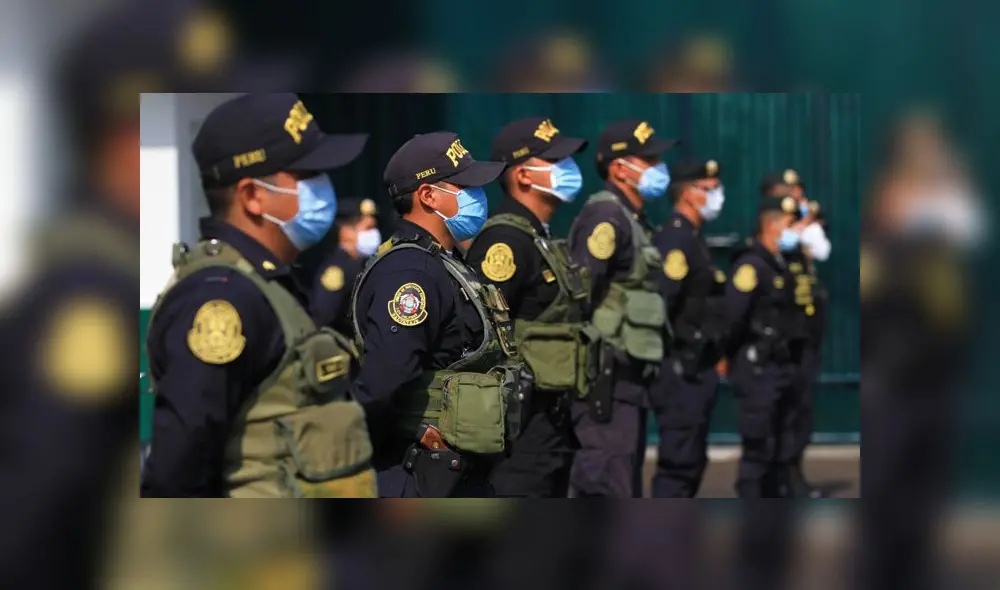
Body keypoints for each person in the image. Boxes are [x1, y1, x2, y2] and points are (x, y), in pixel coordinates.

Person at [141, 93, 376, 498]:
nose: (324, 187)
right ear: (252, 195)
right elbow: (177, 473)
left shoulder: (268, 282)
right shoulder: (222, 300)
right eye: (307, 175)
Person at [349, 131, 523, 498]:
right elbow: (384, 380)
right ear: (428, 195)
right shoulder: (411, 273)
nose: (478, 196)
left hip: (455, 473)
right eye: (466, 186)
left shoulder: (443, 262)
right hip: (418, 474)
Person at [466, 117, 590, 497]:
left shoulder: (539, 236)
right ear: (522, 175)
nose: (568, 168)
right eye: (555, 161)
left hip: (551, 419)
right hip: (521, 428)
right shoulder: (505, 242)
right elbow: (481, 335)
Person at [567, 119, 678, 497]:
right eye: (649, 160)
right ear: (619, 168)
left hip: (627, 377)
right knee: (606, 481)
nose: (659, 168)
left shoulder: (632, 217)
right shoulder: (606, 216)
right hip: (606, 379)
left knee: (624, 477)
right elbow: (579, 295)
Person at [649, 158, 727, 498]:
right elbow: (662, 304)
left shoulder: (693, 238)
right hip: (680, 368)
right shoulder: (676, 240)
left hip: (697, 366)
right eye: (708, 189)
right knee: (679, 464)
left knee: (692, 459)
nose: (716, 195)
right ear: (687, 194)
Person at [723, 195, 808, 498]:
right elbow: (732, 317)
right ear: (772, 226)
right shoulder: (751, 266)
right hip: (757, 368)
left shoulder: (779, 264)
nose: (795, 231)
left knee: (780, 443)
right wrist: (728, 356)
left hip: (779, 366)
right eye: (790, 224)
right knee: (758, 447)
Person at [760, 169, 830, 497]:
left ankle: (792, 474)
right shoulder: (771, 247)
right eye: (787, 194)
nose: (796, 200)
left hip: (805, 337)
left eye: (798, 193)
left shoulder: (802, 234)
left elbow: (821, 249)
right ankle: (775, 479)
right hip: (781, 341)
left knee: (800, 412)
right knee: (777, 415)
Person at [296, 197, 381, 337]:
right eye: (368, 228)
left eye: (374, 228)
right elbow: (323, 318)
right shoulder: (337, 270)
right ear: (346, 231)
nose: (374, 234)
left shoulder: (364, 265)